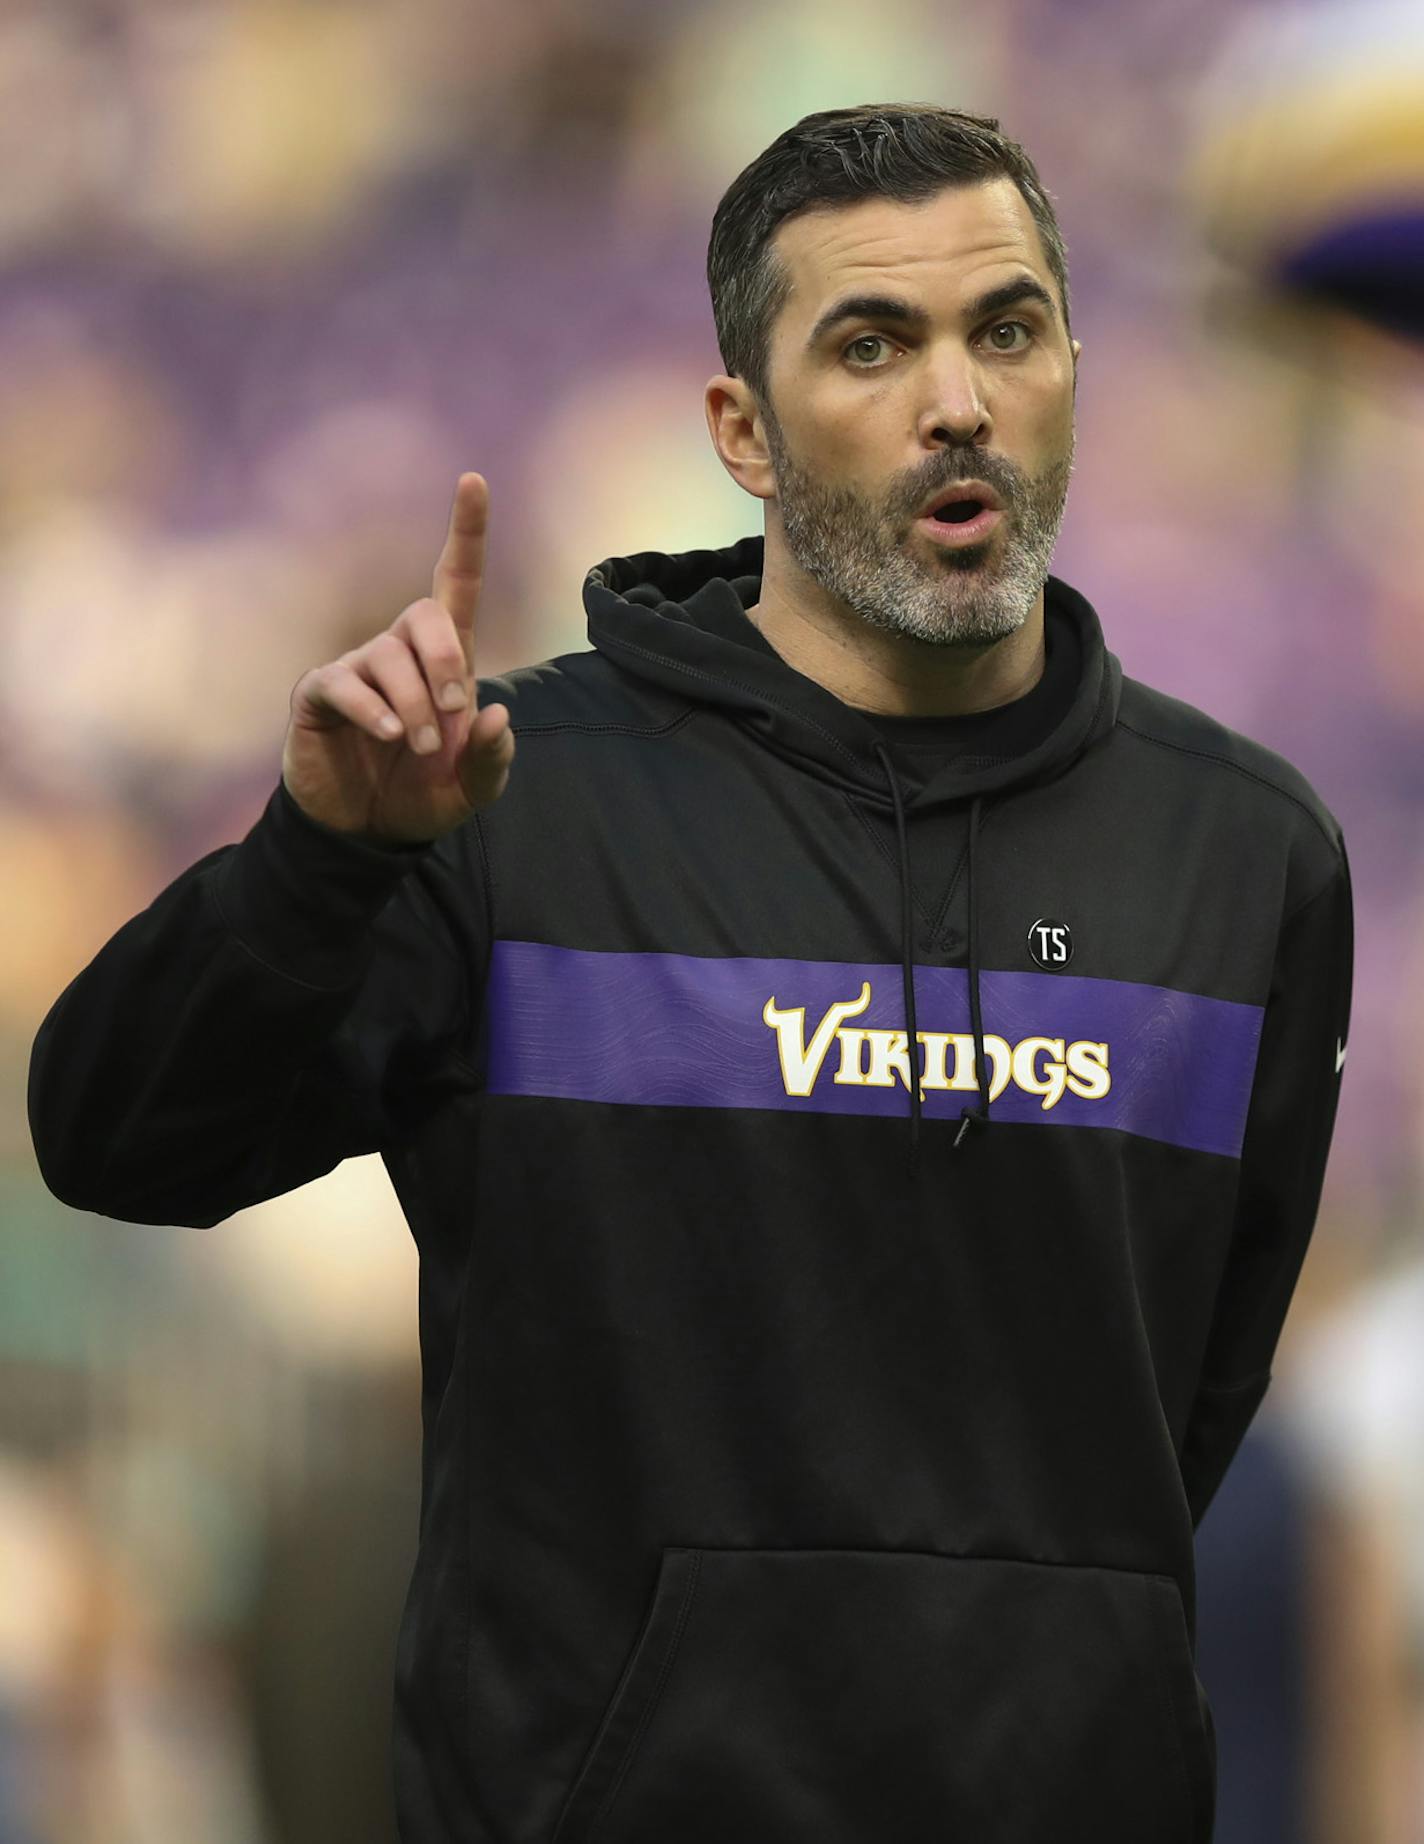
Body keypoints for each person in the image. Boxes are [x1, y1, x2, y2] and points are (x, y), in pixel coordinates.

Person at [28, 104, 1353, 1844]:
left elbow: (1188, 1404)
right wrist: (324, 860)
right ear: (740, 427)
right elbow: (119, 1138)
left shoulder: (1246, 859)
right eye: (870, 344)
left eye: (1007, 330)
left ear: (1072, 374)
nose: (955, 400)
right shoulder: (513, 802)